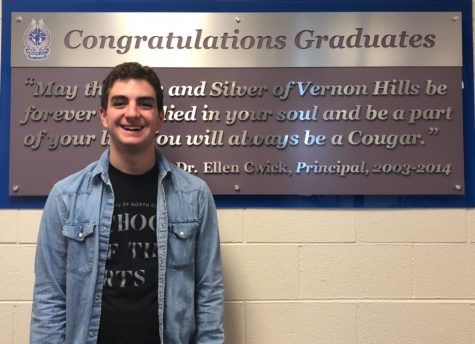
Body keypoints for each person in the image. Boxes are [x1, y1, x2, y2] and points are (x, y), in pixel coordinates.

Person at [30, 62, 224, 344]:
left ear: (160, 117)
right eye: (120, 102)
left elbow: (209, 295)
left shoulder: (195, 196)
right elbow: (49, 298)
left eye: (144, 104)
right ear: (103, 115)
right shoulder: (65, 197)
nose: (132, 113)